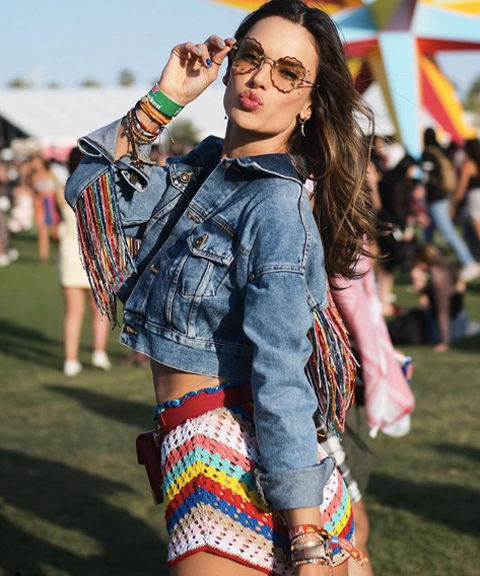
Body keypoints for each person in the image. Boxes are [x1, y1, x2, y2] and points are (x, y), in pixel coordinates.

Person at [65, 1, 377, 574]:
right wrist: (166, 99)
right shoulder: (200, 173)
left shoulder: (276, 208)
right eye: (250, 57)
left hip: (237, 463)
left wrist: (307, 539)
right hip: (194, 447)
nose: (260, 78)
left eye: (288, 71)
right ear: (229, 63)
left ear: (309, 102)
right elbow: (90, 190)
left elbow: (281, 370)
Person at [58, 148, 111, 376]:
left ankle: (71, 360)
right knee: (100, 309)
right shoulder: (100, 189)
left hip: (71, 253)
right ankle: (99, 352)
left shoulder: (64, 188)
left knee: (73, 312)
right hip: (97, 253)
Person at [421, 128, 480, 282]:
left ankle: (469, 262)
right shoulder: (441, 152)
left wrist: (454, 202)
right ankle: (427, 265)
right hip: (443, 198)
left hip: (437, 199)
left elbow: (427, 177)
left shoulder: (429, 154)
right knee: (429, 235)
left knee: (450, 233)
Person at [30, 155, 61, 263]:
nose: (35, 165)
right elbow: (33, 191)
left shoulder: (50, 173)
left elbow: (58, 187)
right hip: (40, 204)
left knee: (54, 233)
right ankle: (44, 257)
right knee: (42, 232)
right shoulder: (33, 176)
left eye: (36, 162)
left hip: (52, 203)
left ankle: (59, 252)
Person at [451, 139, 480, 246]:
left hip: (474, 197)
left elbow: (461, 187)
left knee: (477, 225)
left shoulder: (468, 164)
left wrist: (454, 201)